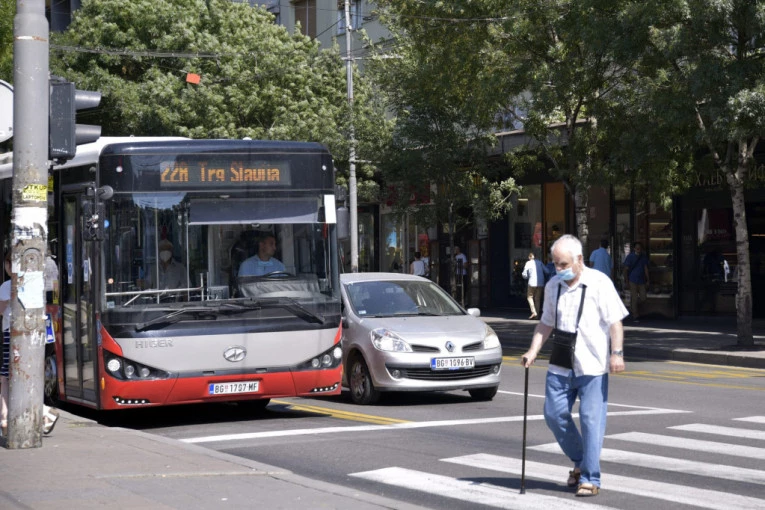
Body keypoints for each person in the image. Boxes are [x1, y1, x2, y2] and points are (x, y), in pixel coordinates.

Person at [521, 235, 627, 498]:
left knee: (591, 421)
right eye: (555, 264)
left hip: (592, 364)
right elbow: (546, 323)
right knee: (553, 415)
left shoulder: (600, 283)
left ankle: (590, 477)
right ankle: (580, 459)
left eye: (563, 264)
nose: (558, 269)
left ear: (579, 259)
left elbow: (615, 322)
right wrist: (533, 351)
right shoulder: (553, 286)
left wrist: (616, 353)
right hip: (561, 364)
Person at [0, 251, 59, 437]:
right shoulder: (34, 284)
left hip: (12, 334)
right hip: (32, 335)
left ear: (10, 265)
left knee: (7, 376)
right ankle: (36, 414)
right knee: (23, 375)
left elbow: (1, 310)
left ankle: (38, 413)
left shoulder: (7, 286)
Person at [622, 242, 649, 320]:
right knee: (634, 298)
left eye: (639, 248)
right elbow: (626, 269)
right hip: (632, 280)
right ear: (634, 249)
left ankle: (633, 307)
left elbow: (646, 269)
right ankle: (635, 314)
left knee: (643, 298)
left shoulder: (643, 257)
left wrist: (648, 280)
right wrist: (626, 281)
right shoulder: (630, 257)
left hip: (641, 280)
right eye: (637, 248)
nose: (638, 249)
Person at [522, 252, 545, 319]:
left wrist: (527, 277)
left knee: (529, 297)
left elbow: (524, 274)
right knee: (537, 299)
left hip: (531, 282)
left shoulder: (528, 263)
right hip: (540, 283)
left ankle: (534, 312)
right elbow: (547, 271)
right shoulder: (540, 263)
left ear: (529, 257)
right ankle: (537, 316)